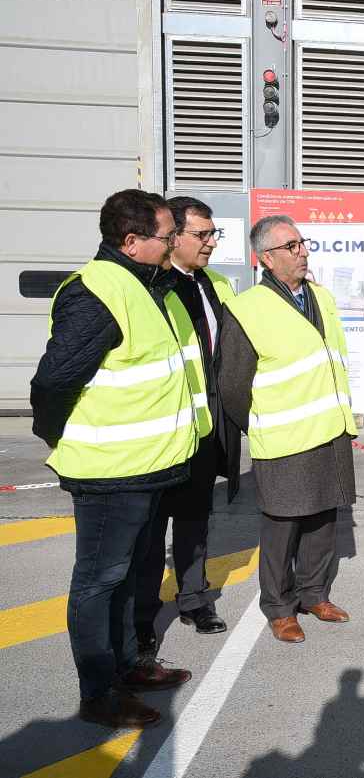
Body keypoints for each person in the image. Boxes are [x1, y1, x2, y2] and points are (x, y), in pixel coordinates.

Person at [31, 188, 194, 728]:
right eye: (168, 235)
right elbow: (54, 380)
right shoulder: (97, 292)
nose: (174, 243)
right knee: (99, 579)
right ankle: (98, 691)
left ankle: (130, 664)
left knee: (129, 575)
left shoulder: (147, 284)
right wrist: (57, 434)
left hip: (147, 466)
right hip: (110, 472)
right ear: (131, 241)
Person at [219, 215, 357, 644]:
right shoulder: (246, 309)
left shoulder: (320, 296)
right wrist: (259, 422)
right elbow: (233, 385)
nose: (302, 252)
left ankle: (314, 593)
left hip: (329, 429)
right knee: (282, 527)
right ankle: (279, 607)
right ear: (266, 258)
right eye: (291, 246)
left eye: (302, 243)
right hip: (283, 438)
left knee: (323, 518)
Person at [133, 197, 238, 659]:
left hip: (205, 426)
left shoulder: (215, 284)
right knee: (152, 530)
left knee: (196, 520)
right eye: (203, 234)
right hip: (164, 432)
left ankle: (195, 599)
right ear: (173, 237)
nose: (211, 243)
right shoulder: (155, 288)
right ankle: (143, 615)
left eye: (214, 234)